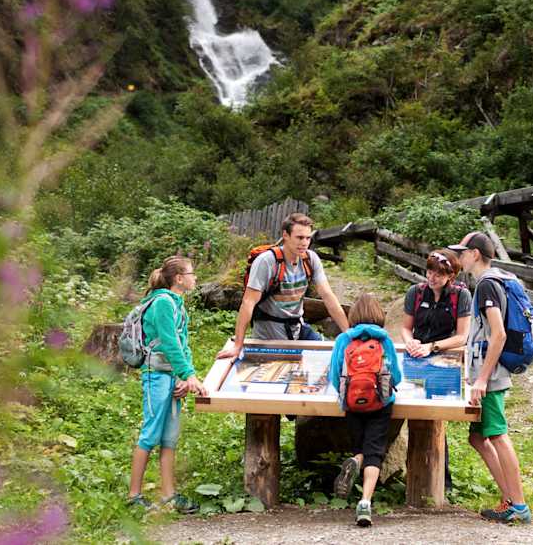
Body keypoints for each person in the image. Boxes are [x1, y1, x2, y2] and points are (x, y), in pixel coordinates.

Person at [448, 232, 531, 524]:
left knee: (496, 434)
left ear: (475, 254)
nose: (459, 258)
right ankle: (509, 498)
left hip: (491, 375)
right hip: (488, 371)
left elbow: (499, 334)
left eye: (462, 252)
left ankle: (518, 505)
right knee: (477, 437)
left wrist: (481, 379)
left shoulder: (486, 285)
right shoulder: (501, 278)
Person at [127, 256, 208, 514]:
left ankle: (168, 495)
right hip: (157, 376)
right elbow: (169, 342)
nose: (196, 278)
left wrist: (185, 377)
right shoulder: (162, 302)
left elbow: (183, 346)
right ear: (179, 278)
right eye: (192, 274)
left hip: (172, 377)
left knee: (169, 438)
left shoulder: (177, 304)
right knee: (151, 434)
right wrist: (189, 375)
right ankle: (133, 496)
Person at [217, 213, 349, 361]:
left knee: (328, 360)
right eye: (299, 238)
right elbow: (248, 302)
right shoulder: (267, 262)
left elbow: (328, 296)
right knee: (282, 369)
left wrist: (348, 334)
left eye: (308, 238)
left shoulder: (310, 259)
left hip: (298, 326)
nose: (304, 243)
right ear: (285, 235)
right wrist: (238, 345)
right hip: (270, 332)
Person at [400, 248, 471, 494]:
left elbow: (463, 336)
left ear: (450, 275)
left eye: (439, 274)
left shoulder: (461, 296)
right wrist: (410, 341)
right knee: (410, 409)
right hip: (416, 357)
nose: (432, 277)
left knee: (435, 416)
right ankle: (410, 471)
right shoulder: (415, 293)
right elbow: (406, 328)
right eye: (430, 271)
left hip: (444, 359)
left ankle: (443, 480)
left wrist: (434, 347)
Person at [328, 294, 402, 528]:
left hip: (352, 404)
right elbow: (396, 375)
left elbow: (334, 374)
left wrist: (344, 396)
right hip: (380, 404)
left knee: (360, 445)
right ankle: (365, 502)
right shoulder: (384, 339)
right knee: (375, 452)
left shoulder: (343, 339)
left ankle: (354, 458)